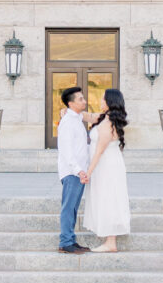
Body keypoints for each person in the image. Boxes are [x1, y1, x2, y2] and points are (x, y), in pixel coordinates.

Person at [82, 88, 130, 252]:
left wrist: (88, 172)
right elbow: (87, 116)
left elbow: (99, 151)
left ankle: (111, 242)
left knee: (108, 198)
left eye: (103, 99)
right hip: (107, 163)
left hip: (106, 165)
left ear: (110, 102)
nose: (100, 102)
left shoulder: (108, 123)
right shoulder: (105, 118)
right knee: (105, 197)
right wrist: (68, 111)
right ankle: (109, 239)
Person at [56, 85, 91, 254]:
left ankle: (70, 239)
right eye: (80, 99)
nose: (84, 101)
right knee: (68, 207)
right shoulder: (68, 122)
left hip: (79, 171)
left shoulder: (77, 119)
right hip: (72, 172)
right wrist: (78, 170)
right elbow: (66, 151)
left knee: (74, 207)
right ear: (70, 104)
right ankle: (65, 242)